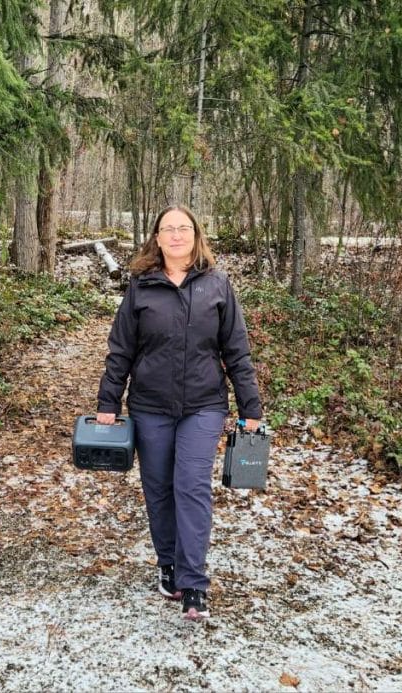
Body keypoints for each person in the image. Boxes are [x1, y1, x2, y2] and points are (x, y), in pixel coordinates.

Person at [96, 204, 263, 621]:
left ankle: (194, 584)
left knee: (191, 486)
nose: (175, 235)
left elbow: (236, 350)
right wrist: (108, 402)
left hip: (203, 406)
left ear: (195, 235)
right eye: (168, 229)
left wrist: (251, 406)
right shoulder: (141, 287)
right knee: (158, 489)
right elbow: (121, 349)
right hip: (150, 406)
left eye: (183, 228)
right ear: (156, 238)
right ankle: (168, 563)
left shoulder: (217, 284)